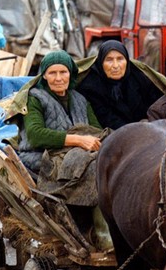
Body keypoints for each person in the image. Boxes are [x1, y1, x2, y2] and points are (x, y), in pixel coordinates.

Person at [13, 50, 109, 240]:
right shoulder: (35, 98)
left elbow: (95, 129)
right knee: (92, 171)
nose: (58, 78)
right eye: (52, 73)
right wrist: (78, 140)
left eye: (63, 72)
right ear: (44, 76)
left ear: (71, 74)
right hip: (40, 155)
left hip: (77, 153)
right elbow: (35, 135)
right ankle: (99, 234)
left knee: (108, 164)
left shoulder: (80, 99)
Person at [77, 40, 166, 130]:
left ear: (126, 60)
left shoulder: (138, 76)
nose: (115, 65)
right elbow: (106, 118)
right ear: (101, 63)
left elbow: (157, 102)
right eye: (109, 60)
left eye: (120, 59)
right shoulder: (90, 86)